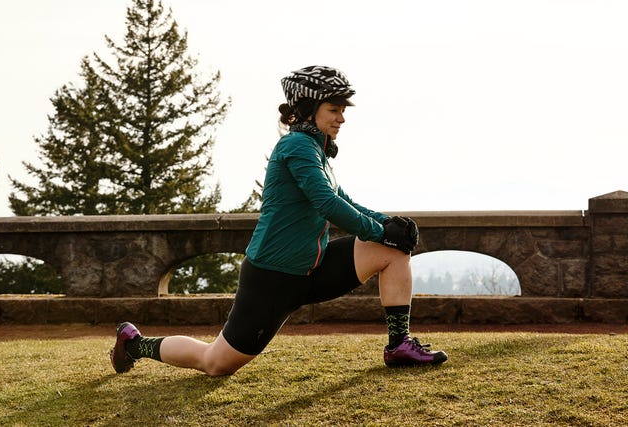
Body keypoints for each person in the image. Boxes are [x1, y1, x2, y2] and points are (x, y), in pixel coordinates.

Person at [110, 65, 448, 376]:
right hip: (273, 279)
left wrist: (388, 224)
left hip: (312, 268)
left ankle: (398, 345)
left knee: (392, 251)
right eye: (334, 109)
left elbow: (342, 197)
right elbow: (326, 203)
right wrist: (377, 230)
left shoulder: (316, 150)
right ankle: (135, 343)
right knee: (215, 363)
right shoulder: (297, 147)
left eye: (343, 110)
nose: (342, 118)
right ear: (308, 110)